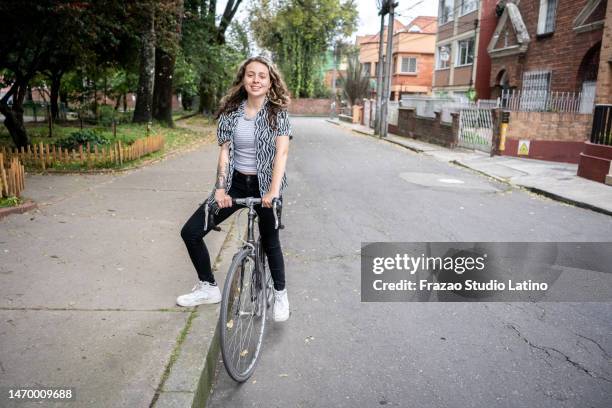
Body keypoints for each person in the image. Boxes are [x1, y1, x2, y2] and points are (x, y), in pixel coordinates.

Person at [177, 56, 292, 322]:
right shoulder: (231, 112)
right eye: (250, 74)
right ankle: (208, 287)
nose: (256, 80)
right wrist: (220, 190)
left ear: (270, 81)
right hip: (236, 184)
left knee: (271, 241)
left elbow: (282, 153)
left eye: (262, 75)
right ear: (243, 78)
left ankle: (280, 293)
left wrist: (273, 192)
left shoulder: (278, 114)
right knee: (191, 232)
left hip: (266, 185)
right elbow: (225, 153)